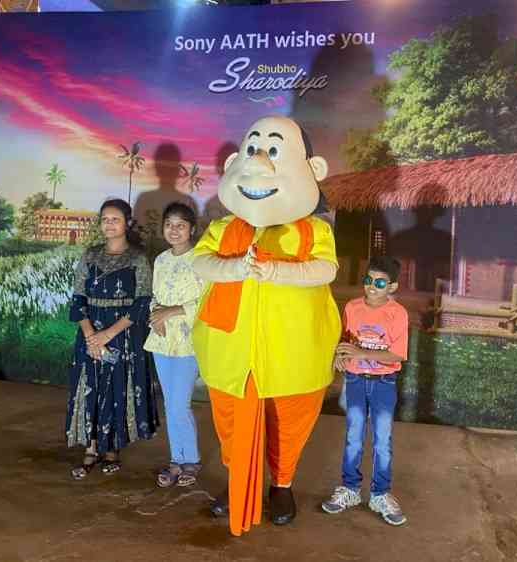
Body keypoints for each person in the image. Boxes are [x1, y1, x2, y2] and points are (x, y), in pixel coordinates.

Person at [192, 116, 341, 536]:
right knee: (230, 425)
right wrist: (235, 266)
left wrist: (275, 271)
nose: (259, 159)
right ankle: (239, 482)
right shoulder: (223, 229)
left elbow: (325, 270)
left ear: (312, 171)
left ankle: (282, 484)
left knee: (288, 426)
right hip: (230, 353)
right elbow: (200, 263)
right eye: (254, 149)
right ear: (236, 161)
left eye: (274, 150)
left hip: (294, 355)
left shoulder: (314, 230)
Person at [66, 198, 158, 479]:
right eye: (105, 219)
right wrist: (91, 335)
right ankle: (91, 448)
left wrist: (107, 334)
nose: (109, 224)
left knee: (116, 389)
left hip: (122, 335)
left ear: (127, 223)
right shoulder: (90, 255)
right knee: (90, 385)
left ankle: (112, 450)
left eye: (115, 219)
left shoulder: (138, 259)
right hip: (89, 334)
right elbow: (77, 297)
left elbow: (142, 302)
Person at [322, 255, 409, 526]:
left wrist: (360, 351)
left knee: (382, 441)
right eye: (368, 280)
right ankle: (350, 489)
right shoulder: (352, 307)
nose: (372, 287)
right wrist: (341, 353)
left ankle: (380, 494)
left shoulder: (398, 313)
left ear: (392, 287)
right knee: (353, 437)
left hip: (384, 383)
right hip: (356, 380)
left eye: (380, 283)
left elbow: (397, 355)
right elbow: (346, 340)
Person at [143, 202, 204, 488]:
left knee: (180, 403)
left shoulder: (203, 259)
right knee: (170, 404)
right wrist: (156, 315)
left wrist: (172, 311)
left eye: (181, 225)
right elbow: (155, 295)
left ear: (192, 228)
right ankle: (176, 460)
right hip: (161, 338)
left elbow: (206, 303)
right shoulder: (161, 260)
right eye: (169, 224)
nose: (174, 230)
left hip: (188, 341)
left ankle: (189, 460)